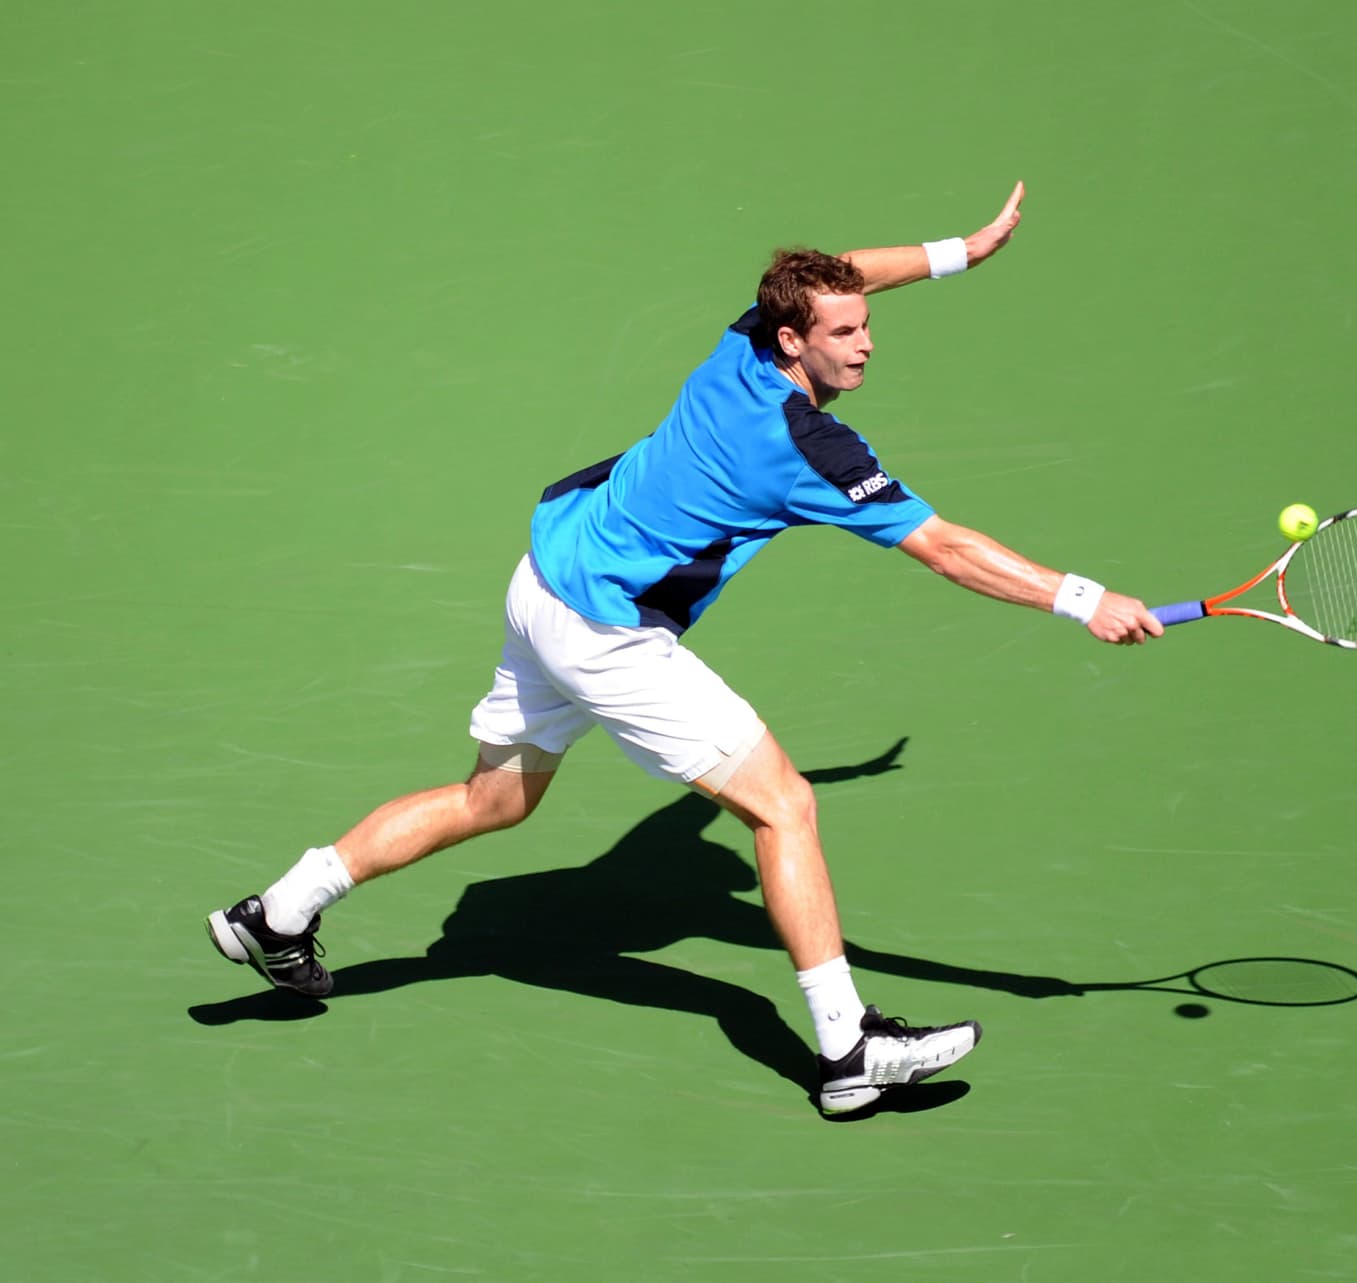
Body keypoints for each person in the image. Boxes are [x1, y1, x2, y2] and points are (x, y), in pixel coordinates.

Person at [205, 182, 1164, 1115]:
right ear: (796, 339)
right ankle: (849, 1048)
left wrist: (961, 252)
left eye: (866, 323)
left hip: (544, 574)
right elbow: (947, 548)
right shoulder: (814, 452)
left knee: (491, 798)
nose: (865, 341)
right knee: (783, 806)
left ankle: (278, 911)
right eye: (845, 332)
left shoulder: (750, 335)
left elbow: (847, 275)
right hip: (609, 632)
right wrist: (1084, 600)